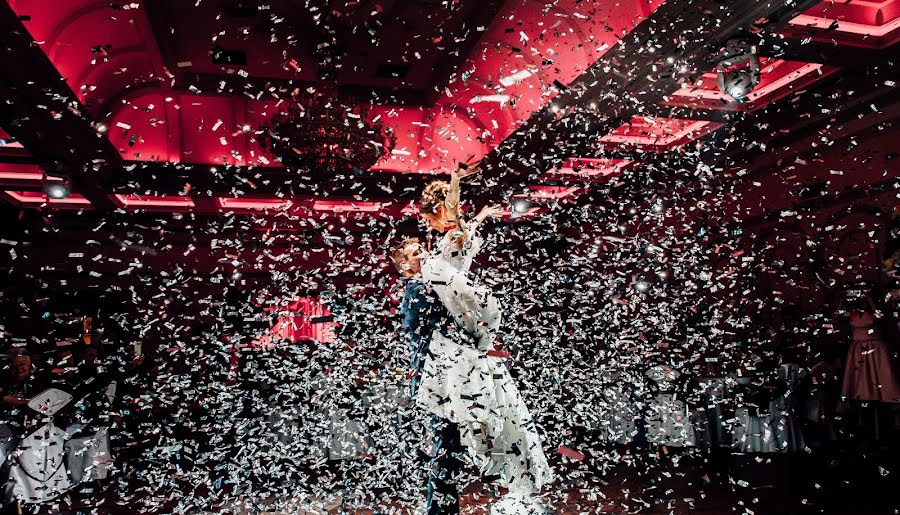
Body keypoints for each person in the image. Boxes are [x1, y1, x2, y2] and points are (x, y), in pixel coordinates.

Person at [415, 162, 553, 512]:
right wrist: (479, 215)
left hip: (459, 336)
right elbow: (461, 227)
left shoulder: (449, 241)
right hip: (456, 337)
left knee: (479, 414)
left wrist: (456, 182)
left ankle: (497, 479)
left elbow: (458, 223)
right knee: (480, 413)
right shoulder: (448, 243)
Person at [391, 238, 473, 515]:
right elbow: (438, 327)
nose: (424, 253)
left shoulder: (430, 285)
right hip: (436, 379)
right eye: (416, 253)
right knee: (446, 448)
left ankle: (443, 509)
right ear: (406, 265)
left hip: (445, 376)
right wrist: (479, 343)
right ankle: (439, 511)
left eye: (423, 248)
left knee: (451, 447)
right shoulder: (417, 290)